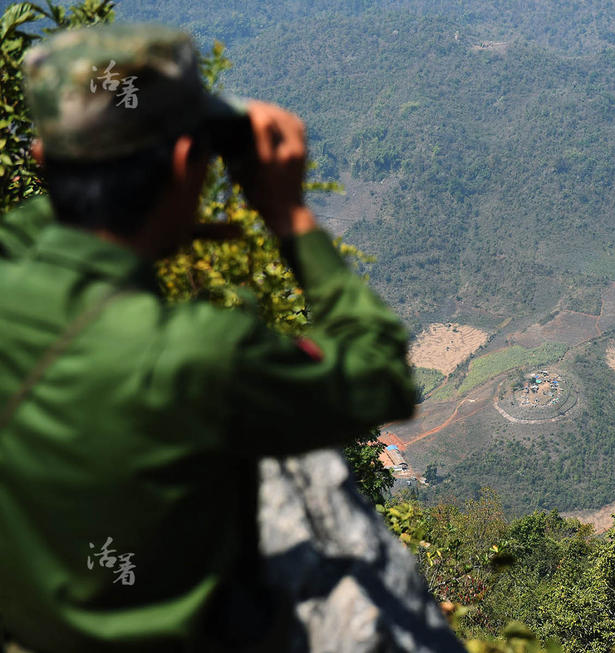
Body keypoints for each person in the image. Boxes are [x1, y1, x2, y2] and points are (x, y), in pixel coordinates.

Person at [0, 23, 417, 652]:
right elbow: (382, 374)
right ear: (185, 165)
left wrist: (110, 183)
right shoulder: (199, 354)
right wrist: (290, 219)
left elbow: (46, 224)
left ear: (40, 159)